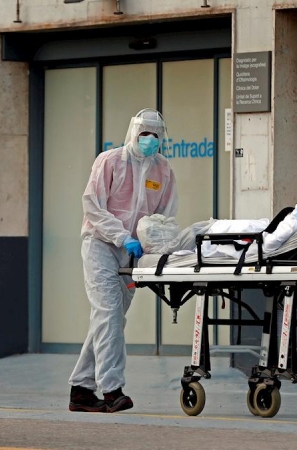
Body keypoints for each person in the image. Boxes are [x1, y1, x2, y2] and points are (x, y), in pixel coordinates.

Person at [68, 108, 179, 413]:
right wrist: (120, 235)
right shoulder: (111, 161)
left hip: (132, 253)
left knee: (111, 318)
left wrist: (155, 245)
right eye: (145, 133)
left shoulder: (163, 170)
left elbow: (165, 216)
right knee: (109, 314)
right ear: (134, 132)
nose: (150, 139)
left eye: (155, 134)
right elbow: (92, 206)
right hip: (101, 244)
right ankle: (112, 389)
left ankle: (80, 388)